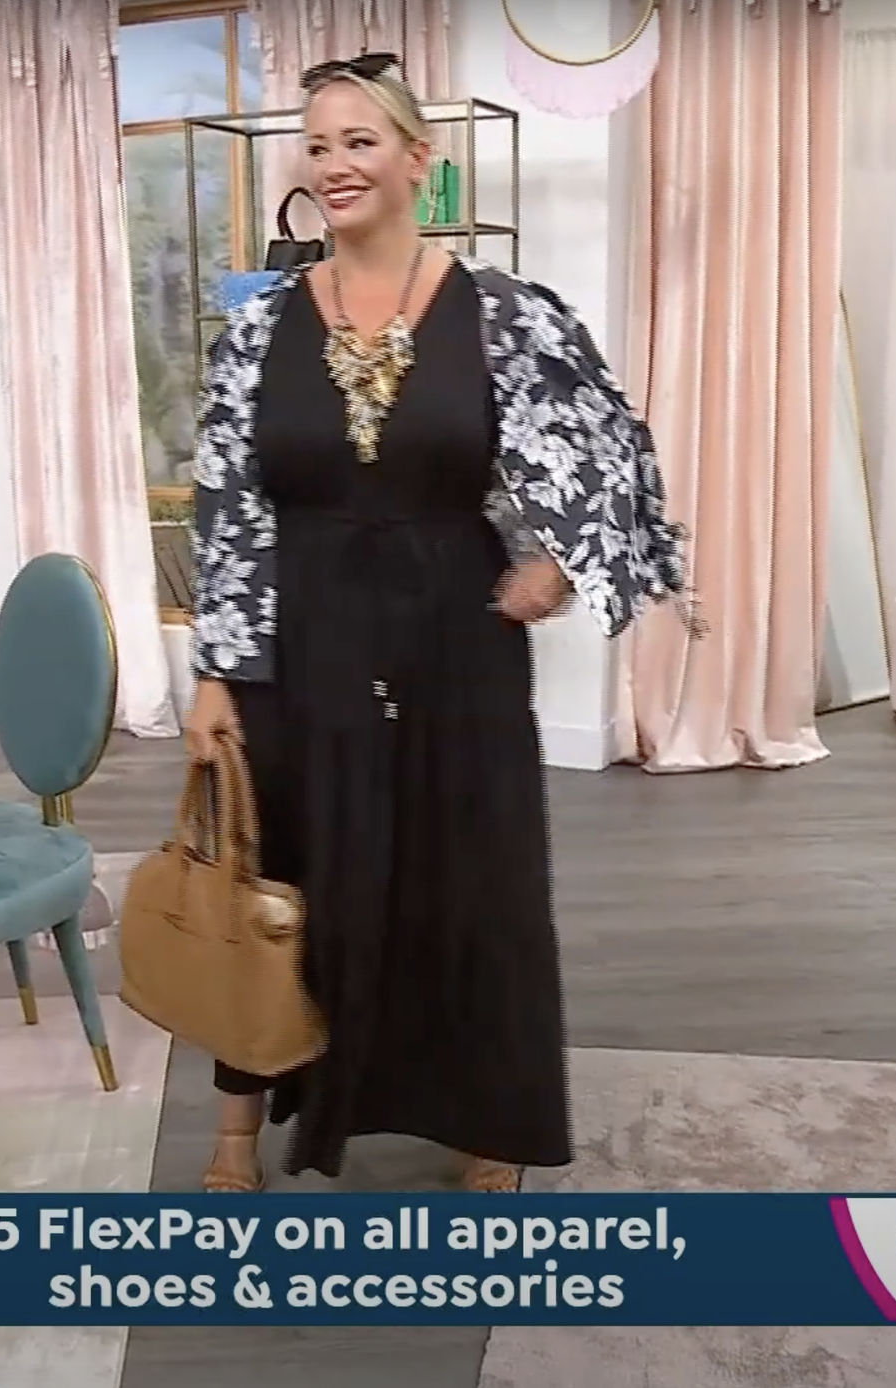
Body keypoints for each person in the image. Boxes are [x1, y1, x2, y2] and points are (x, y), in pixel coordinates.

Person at [183, 52, 689, 1194]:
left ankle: (487, 1119)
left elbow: (607, 446)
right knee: (280, 880)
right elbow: (228, 502)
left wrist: (555, 559)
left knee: (473, 879)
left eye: (360, 141)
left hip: (456, 643)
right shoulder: (258, 328)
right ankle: (236, 1133)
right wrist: (216, 671)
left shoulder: (506, 313)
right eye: (318, 144)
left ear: (420, 159)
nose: (335, 163)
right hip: (298, 646)